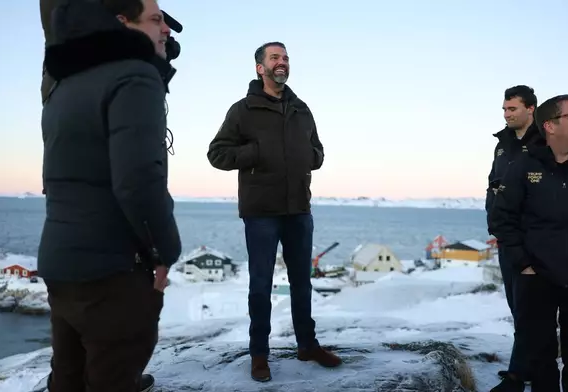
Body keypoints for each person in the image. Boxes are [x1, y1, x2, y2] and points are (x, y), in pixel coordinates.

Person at [38, 0, 182, 391]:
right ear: (123, 23)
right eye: (156, 20)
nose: (165, 29)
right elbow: (138, 181)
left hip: (60, 264)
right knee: (112, 377)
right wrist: (165, 252)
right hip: (112, 273)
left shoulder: (63, 86)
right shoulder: (133, 77)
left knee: (68, 377)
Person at [206, 41, 342, 382]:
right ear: (260, 67)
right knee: (260, 285)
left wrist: (308, 159)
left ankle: (308, 345)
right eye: (274, 58)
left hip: (299, 208)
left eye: (285, 58)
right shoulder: (243, 110)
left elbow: (318, 152)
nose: (282, 63)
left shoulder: (301, 109)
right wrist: (254, 153)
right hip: (261, 212)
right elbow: (217, 154)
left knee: (302, 283)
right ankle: (259, 355)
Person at [490, 94, 568, 392]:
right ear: (549, 125)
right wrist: (523, 263)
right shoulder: (524, 164)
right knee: (541, 357)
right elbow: (501, 217)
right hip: (537, 277)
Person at [485, 85, 543, 392]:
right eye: (505, 110)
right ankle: (526, 365)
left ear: (531, 109)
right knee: (516, 307)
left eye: (513, 109)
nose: (507, 115)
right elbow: (493, 183)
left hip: (533, 240)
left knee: (528, 308)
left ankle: (518, 376)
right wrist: (493, 223)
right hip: (507, 238)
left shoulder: (545, 143)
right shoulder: (503, 143)